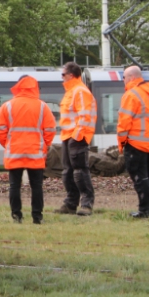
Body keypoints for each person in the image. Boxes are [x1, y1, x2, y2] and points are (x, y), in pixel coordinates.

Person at [0, 76, 57, 224]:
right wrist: (44, 144)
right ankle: (37, 217)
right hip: (35, 152)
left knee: (14, 186)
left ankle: (17, 216)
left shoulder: (7, 106)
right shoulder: (42, 106)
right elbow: (50, 129)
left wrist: (7, 143)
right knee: (37, 186)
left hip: (14, 151)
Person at [117, 65, 149, 218]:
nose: (123, 81)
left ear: (131, 77)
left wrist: (121, 143)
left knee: (139, 177)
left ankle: (144, 210)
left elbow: (124, 123)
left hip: (136, 143)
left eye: (123, 78)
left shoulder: (131, 95)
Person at [56, 62, 97, 216]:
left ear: (71, 75)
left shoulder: (79, 91)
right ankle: (71, 203)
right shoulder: (72, 91)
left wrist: (78, 135)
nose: (62, 77)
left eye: (63, 74)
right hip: (69, 136)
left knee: (80, 171)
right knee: (68, 172)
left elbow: (85, 115)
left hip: (76, 136)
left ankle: (86, 204)